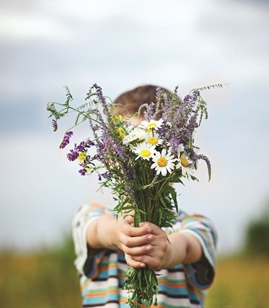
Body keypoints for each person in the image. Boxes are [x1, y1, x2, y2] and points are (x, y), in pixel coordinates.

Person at [72, 85, 218, 308]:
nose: (139, 161)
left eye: (156, 146)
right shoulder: (90, 216)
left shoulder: (196, 226)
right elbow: (96, 230)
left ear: (178, 155)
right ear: (109, 156)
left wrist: (167, 252)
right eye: (126, 147)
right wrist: (119, 233)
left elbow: (187, 246)